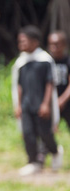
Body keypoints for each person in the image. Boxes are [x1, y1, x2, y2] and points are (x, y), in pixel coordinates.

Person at [11, 26, 62, 176]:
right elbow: (18, 85)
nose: (21, 44)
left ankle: (55, 151)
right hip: (26, 104)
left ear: (34, 42)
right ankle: (33, 162)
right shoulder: (21, 63)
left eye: (24, 41)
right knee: (28, 134)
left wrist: (46, 104)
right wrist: (18, 105)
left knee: (45, 133)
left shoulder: (45, 60)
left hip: (41, 105)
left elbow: (50, 83)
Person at [48, 31, 70, 134]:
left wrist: (62, 100)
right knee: (48, 132)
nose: (53, 47)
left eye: (56, 44)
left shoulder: (68, 61)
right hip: (51, 102)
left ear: (64, 45)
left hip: (67, 101)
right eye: (51, 44)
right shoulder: (46, 62)